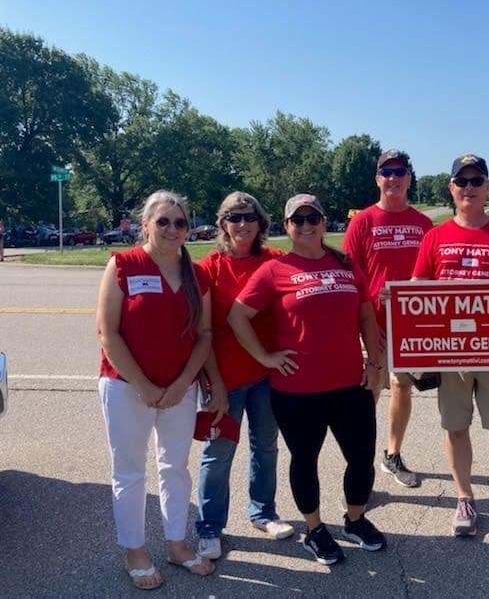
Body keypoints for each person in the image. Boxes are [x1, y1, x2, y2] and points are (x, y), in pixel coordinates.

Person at [228, 193, 386, 566]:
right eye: (297, 220)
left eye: (311, 217)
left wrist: (375, 362)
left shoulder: (345, 263)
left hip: (351, 383)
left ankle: (355, 519)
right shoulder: (274, 270)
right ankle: (314, 529)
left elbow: (366, 315)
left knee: (361, 458)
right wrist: (265, 357)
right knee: (305, 459)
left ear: (323, 220)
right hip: (298, 390)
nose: (305, 225)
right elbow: (238, 316)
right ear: (286, 228)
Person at [412, 154, 489, 549]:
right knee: (455, 427)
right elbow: (418, 288)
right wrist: (399, 299)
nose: (468, 188)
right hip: (452, 355)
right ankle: (465, 499)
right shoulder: (434, 236)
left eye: (476, 180)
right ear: (451, 188)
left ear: (487, 187)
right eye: (461, 182)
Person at [96, 190, 215, 590]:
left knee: (175, 468)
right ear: (145, 224)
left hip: (180, 390)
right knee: (130, 473)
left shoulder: (198, 275)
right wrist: (144, 385)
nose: (171, 229)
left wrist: (183, 383)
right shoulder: (123, 265)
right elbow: (107, 332)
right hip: (126, 386)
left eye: (179, 223)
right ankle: (135, 551)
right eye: (162, 221)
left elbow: (204, 335)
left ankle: (177, 545)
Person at [194, 191, 295, 561]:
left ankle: (263, 512)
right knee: (218, 453)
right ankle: (208, 526)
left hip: (268, 377)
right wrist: (212, 382)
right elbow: (201, 332)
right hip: (226, 378)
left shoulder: (276, 260)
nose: (242, 225)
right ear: (222, 224)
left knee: (266, 447)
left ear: (261, 222)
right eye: (233, 218)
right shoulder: (209, 268)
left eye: (249, 217)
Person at [343, 149, 433, 488]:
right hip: (372, 323)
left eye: (399, 172)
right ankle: (359, 465)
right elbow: (350, 276)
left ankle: (392, 454)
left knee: (402, 386)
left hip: (411, 326)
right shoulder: (363, 221)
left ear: (409, 178)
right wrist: (362, 319)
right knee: (368, 394)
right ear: (377, 178)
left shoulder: (423, 224)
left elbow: (435, 277)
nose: (393, 178)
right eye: (386, 172)